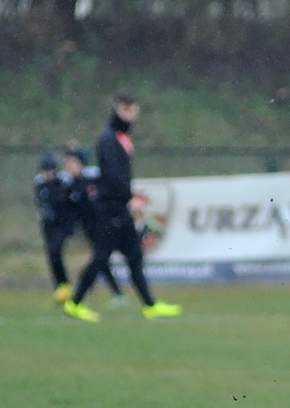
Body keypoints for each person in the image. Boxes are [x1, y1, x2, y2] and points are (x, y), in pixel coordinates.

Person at [64, 93, 182, 322]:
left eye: (134, 111)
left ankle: (150, 305)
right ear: (118, 111)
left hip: (120, 208)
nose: (132, 115)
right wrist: (129, 197)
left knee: (134, 256)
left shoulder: (120, 137)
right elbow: (113, 175)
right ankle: (74, 302)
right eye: (127, 110)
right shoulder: (109, 139)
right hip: (110, 210)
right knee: (101, 258)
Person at [61, 146, 128, 308]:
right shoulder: (71, 185)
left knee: (101, 261)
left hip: (105, 228)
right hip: (90, 230)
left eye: (72, 162)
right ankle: (114, 293)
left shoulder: (92, 180)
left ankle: (80, 296)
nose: (69, 166)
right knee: (101, 262)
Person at [35, 150, 74, 304]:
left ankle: (64, 284)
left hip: (62, 224)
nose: (48, 174)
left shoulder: (63, 182)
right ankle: (61, 285)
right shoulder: (39, 184)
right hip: (49, 226)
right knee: (52, 255)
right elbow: (41, 203)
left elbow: (69, 204)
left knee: (55, 249)